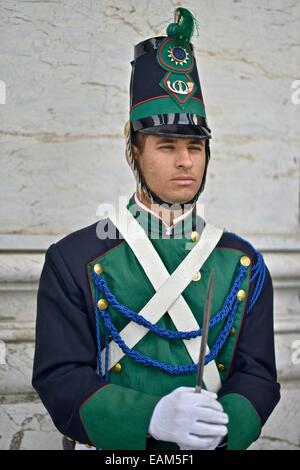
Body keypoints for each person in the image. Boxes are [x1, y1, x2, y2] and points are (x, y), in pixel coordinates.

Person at [32, 7, 281, 451]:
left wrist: (225, 429)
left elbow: (258, 375)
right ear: (134, 152)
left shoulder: (244, 261)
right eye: (167, 145)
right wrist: (148, 418)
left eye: (195, 146)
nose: (186, 161)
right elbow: (59, 376)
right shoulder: (73, 258)